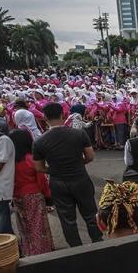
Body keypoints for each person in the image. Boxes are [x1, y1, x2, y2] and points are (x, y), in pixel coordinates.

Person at [33, 102, 103, 247]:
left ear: (44, 118)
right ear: (63, 115)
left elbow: (39, 167)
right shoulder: (78, 133)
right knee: (90, 214)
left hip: (58, 181)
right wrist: (77, 164)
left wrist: (54, 169)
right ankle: (98, 243)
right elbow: (90, 156)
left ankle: (75, 248)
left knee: (67, 219)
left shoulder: (39, 141)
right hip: (79, 177)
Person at [9, 129, 54, 257]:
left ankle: (28, 250)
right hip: (33, 195)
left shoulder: (9, 161)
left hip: (16, 195)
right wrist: (48, 195)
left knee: (23, 225)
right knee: (37, 225)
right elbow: (41, 180)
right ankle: (40, 251)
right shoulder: (31, 159)